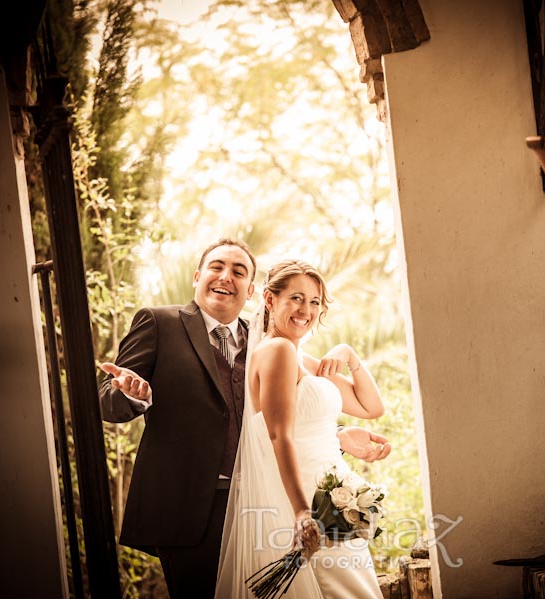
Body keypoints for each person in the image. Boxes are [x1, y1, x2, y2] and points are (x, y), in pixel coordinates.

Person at [98, 239, 391, 599]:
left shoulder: (265, 341)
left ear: (252, 290)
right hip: (190, 508)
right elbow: (106, 399)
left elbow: (274, 415)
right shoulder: (159, 323)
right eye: (216, 267)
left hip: (263, 502)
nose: (226, 277)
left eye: (239, 272)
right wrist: (131, 393)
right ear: (197, 276)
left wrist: (338, 433)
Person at [215, 259, 385, 599]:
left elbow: (371, 407)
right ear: (269, 300)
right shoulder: (276, 350)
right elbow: (280, 435)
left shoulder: (305, 360)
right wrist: (302, 513)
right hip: (305, 497)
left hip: (331, 498)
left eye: (314, 301)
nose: (305, 310)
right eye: (296, 298)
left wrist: (350, 356)